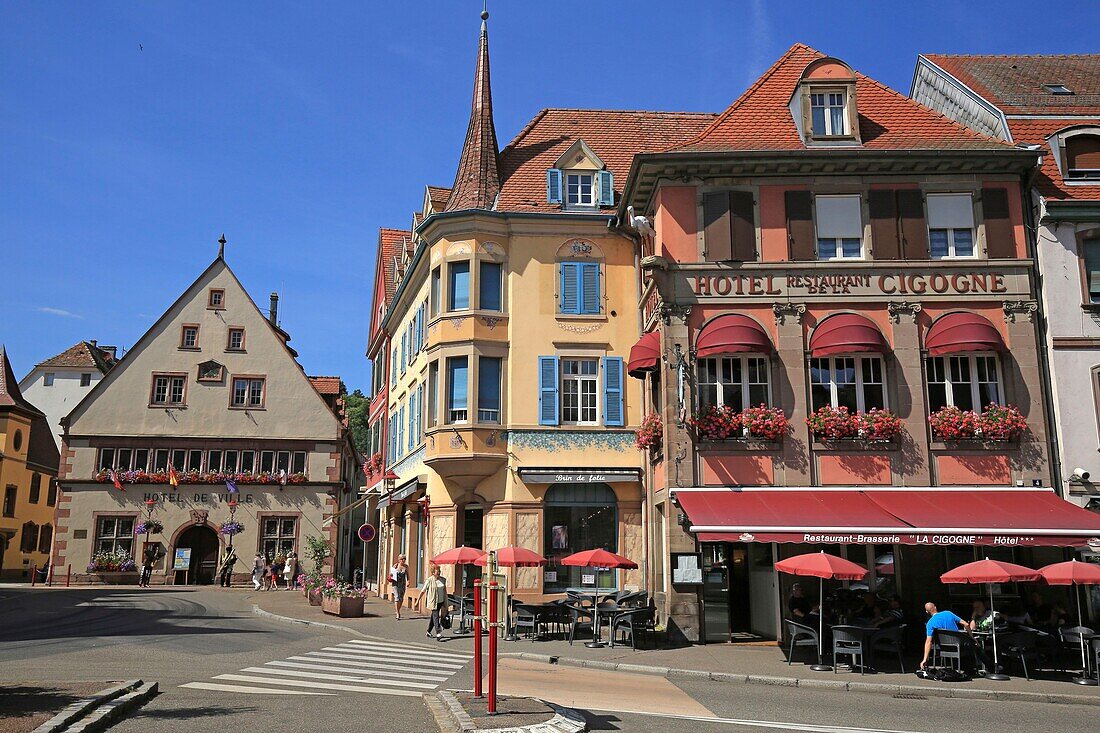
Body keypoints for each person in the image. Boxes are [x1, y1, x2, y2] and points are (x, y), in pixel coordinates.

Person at [920, 601, 997, 674]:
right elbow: (966, 624)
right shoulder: (948, 613)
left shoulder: (930, 623)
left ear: (927, 612)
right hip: (959, 645)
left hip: (944, 648)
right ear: (935, 607)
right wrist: (972, 638)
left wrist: (925, 659)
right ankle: (991, 667)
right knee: (976, 645)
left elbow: (928, 642)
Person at [421, 563, 449, 641]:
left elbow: (444, 591)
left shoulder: (443, 580)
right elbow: (423, 591)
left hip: (441, 601)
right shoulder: (429, 580)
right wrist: (418, 601)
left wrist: (445, 602)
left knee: (433, 618)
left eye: (439, 571)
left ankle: (428, 631)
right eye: (437, 571)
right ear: (433, 572)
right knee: (436, 617)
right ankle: (438, 633)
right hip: (433, 602)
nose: (439, 572)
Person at [390, 555, 409, 620]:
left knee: (401, 598)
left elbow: (407, 575)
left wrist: (408, 581)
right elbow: (391, 574)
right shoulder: (395, 566)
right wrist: (391, 575)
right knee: (397, 597)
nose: (403, 560)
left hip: (402, 584)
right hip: (395, 584)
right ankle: (397, 613)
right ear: (399, 559)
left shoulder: (406, 566)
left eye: (404, 559)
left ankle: (398, 610)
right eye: (402, 559)